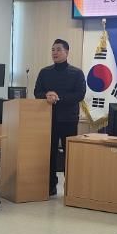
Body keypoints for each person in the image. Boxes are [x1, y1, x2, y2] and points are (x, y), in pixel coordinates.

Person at [34, 39, 86, 196]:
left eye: (58, 49)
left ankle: (71, 187)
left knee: (69, 154)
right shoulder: (45, 72)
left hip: (69, 119)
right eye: (53, 50)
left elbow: (80, 94)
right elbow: (37, 92)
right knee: (49, 153)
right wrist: (46, 95)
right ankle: (50, 185)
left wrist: (58, 98)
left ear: (67, 52)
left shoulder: (76, 73)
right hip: (48, 119)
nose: (54, 52)